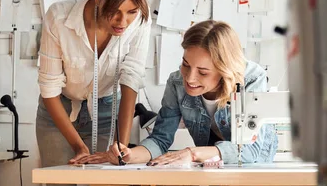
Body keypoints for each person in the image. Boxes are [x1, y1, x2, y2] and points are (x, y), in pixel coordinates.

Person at [74, 20, 278, 168]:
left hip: (256, 167)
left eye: (203, 72)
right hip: (211, 164)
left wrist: (191, 153)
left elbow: (250, 150)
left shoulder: (251, 79)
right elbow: (161, 139)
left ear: (224, 70)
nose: (189, 78)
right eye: (186, 65)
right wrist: (127, 154)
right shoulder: (177, 83)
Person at [36, 0, 152, 186]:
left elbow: (130, 79)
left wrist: (121, 146)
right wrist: (79, 146)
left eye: (131, 11)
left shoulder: (140, 22)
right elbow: (50, 89)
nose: (124, 22)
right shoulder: (58, 18)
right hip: (59, 110)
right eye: (115, 12)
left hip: (108, 107)